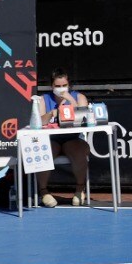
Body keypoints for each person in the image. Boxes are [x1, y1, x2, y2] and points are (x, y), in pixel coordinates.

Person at [34, 70, 91, 206]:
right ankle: (44, 192)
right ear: (52, 86)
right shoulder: (44, 99)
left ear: (69, 85)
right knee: (43, 150)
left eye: (64, 85)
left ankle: (79, 190)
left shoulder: (79, 97)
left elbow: (84, 118)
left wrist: (69, 100)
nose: (61, 89)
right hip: (52, 139)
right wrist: (51, 113)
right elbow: (39, 122)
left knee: (79, 151)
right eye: (57, 86)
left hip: (72, 138)